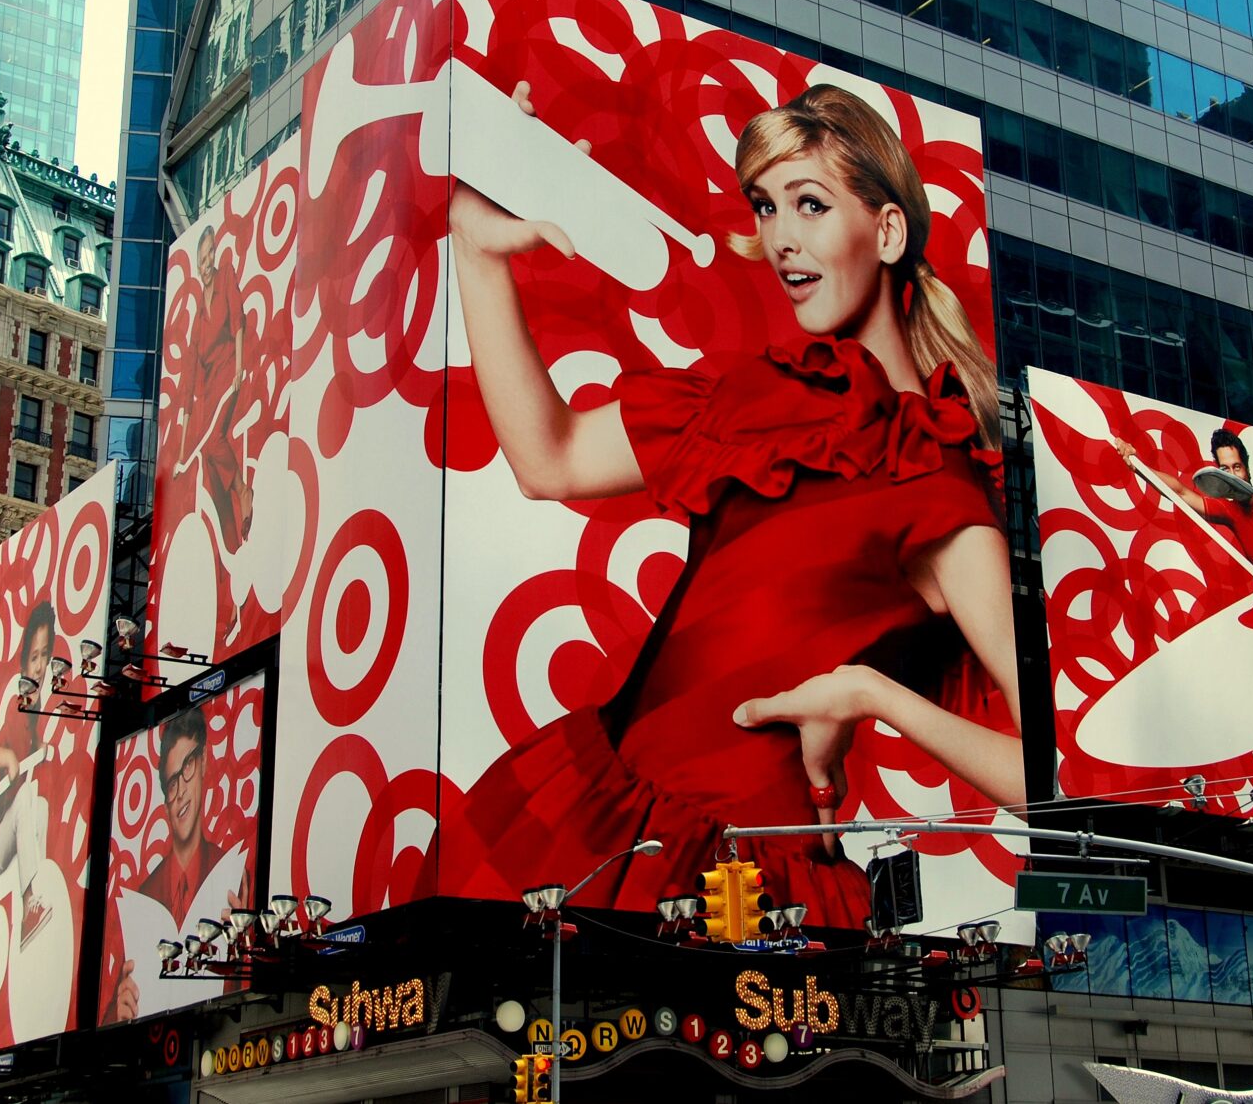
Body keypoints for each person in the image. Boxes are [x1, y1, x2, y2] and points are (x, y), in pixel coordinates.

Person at [435, 82, 1025, 928]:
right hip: (597, 808)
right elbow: (549, 457)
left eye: (810, 204)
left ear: (887, 230)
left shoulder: (938, 486)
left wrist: (874, 696)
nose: (782, 239)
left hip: (753, 886)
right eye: (766, 206)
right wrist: (479, 249)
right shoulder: (759, 395)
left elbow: (1050, 782)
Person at [108, 706, 240, 1021]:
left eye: (188, 767)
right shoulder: (140, 900)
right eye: (170, 783)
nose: (179, 792)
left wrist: (243, 946)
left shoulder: (235, 875)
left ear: (205, 760)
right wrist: (118, 1011)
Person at [1112, 428, 1253, 617]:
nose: (1232, 476)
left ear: (1247, 468)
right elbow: (1180, 492)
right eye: (1225, 470)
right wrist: (1137, 465)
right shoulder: (1230, 510)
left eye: (1237, 467)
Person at [0, 601, 54, 945]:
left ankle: (38, 891)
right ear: (23, 664)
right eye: (35, 657)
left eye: (46, 655)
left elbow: (41, 744)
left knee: (40, 806)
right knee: (30, 799)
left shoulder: (38, 712)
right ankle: (30, 902)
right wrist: (10, 761)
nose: (42, 665)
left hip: (17, 826)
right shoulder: (17, 708)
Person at [173, 226, 252, 551]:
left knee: (215, 440)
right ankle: (231, 543)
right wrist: (179, 455)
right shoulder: (198, 317)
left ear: (215, 255)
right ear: (196, 263)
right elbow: (188, 386)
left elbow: (238, 321)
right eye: (202, 259)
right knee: (206, 457)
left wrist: (238, 369)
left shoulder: (225, 278)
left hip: (228, 376)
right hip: (208, 393)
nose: (207, 264)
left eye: (210, 256)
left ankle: (243, 490)